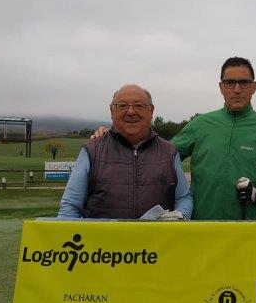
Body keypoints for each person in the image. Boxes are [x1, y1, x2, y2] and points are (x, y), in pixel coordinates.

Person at [170, 57, 256, 220]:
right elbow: (164, 158)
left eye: (244, 83)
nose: (237, 89)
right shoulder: (200, 124)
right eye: (230, 82)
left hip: (245, 231)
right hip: (200, 227)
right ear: (221, 87)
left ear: (254, 87)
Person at [58, 84, 192, 220]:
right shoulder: (92, 150)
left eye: (139, 106)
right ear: (112, 111)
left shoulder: (169, 151)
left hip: (157, 240)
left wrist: (180, 216)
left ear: (151, 111)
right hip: (102, 241)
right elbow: (70, 207)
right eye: (122, 106)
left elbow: (183, 198)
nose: (131, 112)